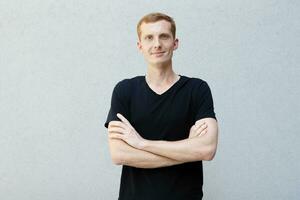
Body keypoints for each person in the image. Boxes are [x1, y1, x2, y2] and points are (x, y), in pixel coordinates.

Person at [104, 12, 218, 200]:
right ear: (140, 46)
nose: (157, 44)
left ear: (175, 43)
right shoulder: (125, 90)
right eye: (149, 37)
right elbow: (119, 154)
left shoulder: (197, 89)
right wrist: (187, 150)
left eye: (164, 36)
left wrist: (141, 143)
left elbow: (206, 149)